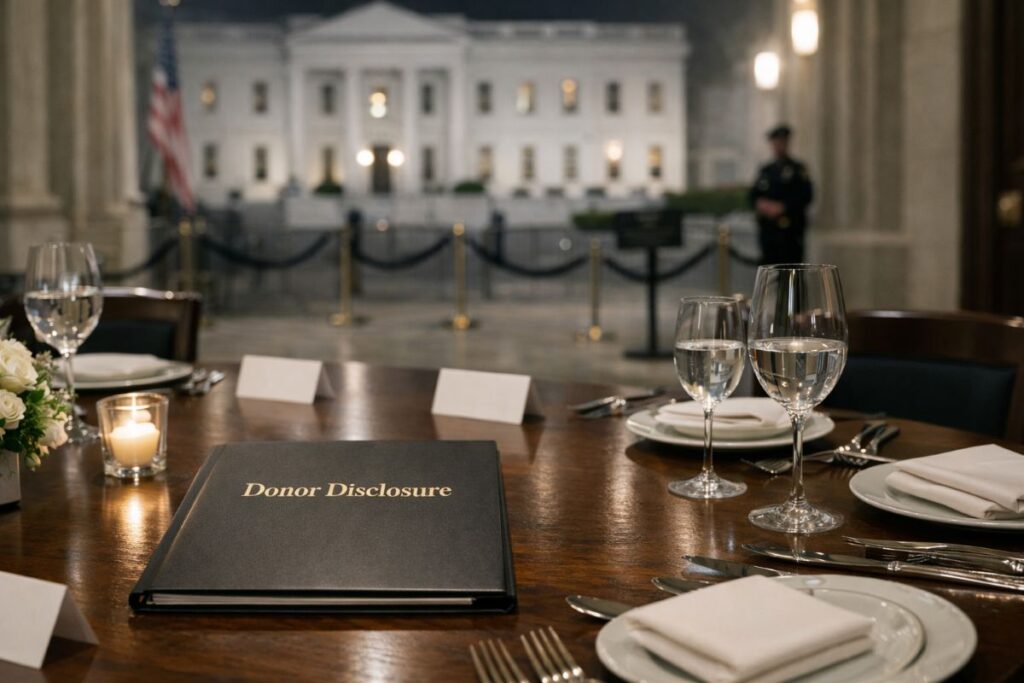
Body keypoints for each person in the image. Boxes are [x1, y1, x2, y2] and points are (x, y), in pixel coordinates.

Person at [748, 124, 814, 264]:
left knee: (791, 269)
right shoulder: (766, 170)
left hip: (790, 232)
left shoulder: (797, 169)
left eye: (781, 142)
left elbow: (806, 196)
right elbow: (753, 195)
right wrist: (762, 205)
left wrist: (783, 207)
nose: (778, 146)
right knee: (769, 270)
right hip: (769, 232)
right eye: (775, 143)